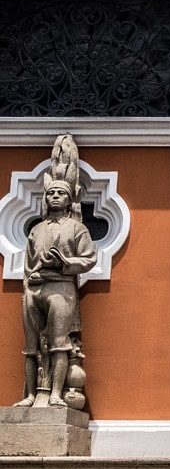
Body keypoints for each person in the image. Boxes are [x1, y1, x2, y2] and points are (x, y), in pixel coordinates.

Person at [18, 159, 96, 411]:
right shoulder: (36, 229)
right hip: (34, 288)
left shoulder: (77, 228)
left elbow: (88, 259)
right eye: (50, 193)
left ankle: (55, 394)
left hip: (61, 288)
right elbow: (28, 261)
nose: (54, 197)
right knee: (31, 347)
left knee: (59, 343)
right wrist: (33, 276)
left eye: (60, 193)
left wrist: (65, 262)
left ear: (69, 199)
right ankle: (30, 395)